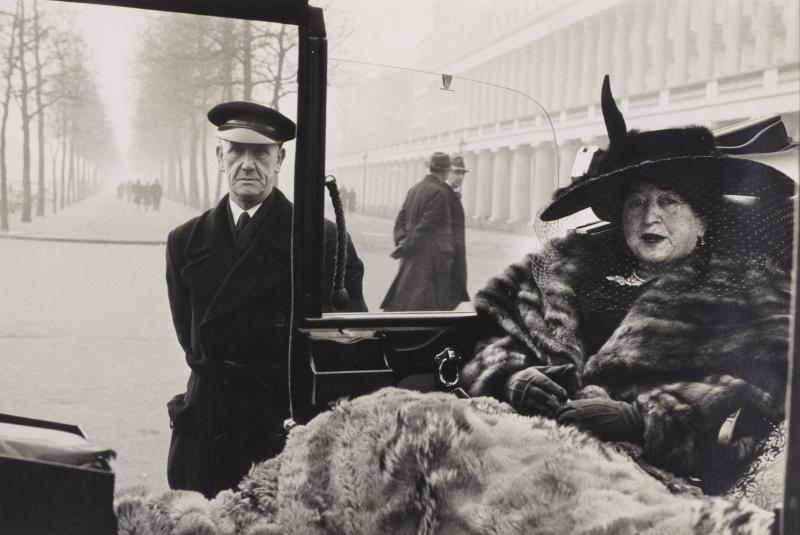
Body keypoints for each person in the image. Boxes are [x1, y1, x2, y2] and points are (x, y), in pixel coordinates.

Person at [460, 76, 794, 494]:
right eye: (636, 202)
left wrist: (642, 419)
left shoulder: (748, 285)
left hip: (649, 480)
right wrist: (512, 378)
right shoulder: (559, 271)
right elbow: (492, 337)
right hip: (530, 447)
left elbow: (770, 387)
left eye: (669, 202)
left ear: (703, 218)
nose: (649, 217)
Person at [165, 100, 367, 498]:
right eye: (237, 151)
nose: (247, 164)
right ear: (220, 156)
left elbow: (350, 342)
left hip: (282, 427)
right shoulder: (184, 241)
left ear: (280, 159)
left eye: (261, 153)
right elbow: (190, 338)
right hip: (207, 426)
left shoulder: (321, 241)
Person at [381, 152, 457, 311]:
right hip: (429, 257)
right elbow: (426, 226)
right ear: (445, 171)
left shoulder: (413, 189)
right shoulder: (440, 192)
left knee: (405, 297)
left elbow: (400, 217)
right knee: (424, 303)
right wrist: (407, 245)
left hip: (410, 254)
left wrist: (401, 239)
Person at [444, 155, 469, 307]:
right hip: (449, 256)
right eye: (456, 172)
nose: (460, 177)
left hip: (456, 255)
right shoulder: (443, 193)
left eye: (462, 173)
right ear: (447, 172)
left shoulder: (452, 193)